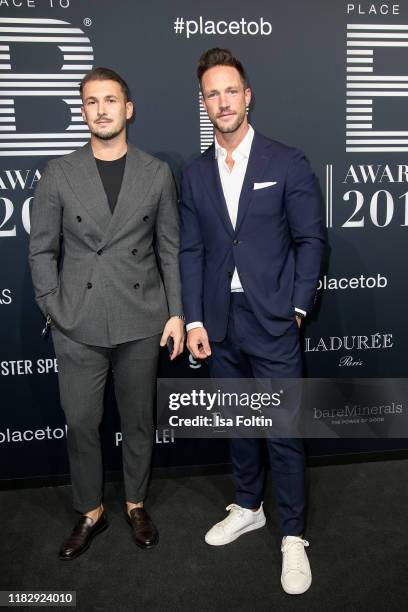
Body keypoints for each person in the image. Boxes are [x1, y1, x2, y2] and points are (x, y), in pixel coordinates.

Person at [179, 48, 325, 595]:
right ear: (205, 102)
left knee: (284, 430)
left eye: (230, 91)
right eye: (212, 93)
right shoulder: (194, 174)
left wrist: (296, 305)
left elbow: (311, 240)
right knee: (239, 425)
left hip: (272, 321)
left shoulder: (286, 162)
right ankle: (247, 505)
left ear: (248, 96)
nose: (223, 101)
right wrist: (194, 320)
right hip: (219, 323)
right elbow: (190, 251)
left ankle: (292, 533)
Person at [29, 67, 184, 560]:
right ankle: (90, 509)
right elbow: (40, 250)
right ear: (83, 111)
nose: (102, 109)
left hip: (142, 317)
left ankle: (136, 503)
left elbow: (169, 250)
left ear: (128, 108)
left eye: (110, 100)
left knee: (139, 420)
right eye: (92, 102)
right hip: (78, 320)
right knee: (80, 421)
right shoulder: (59, 173)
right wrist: (53, 304)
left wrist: (176, 313)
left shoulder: (156, 172)